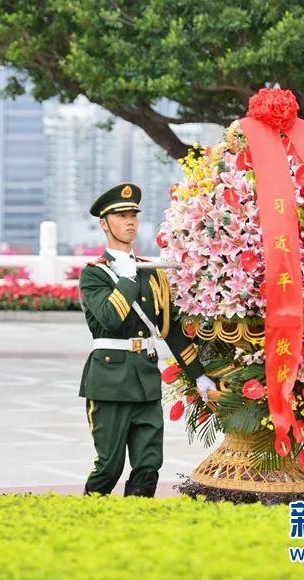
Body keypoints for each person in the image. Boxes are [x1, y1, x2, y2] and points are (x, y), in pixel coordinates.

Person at [79, 183, 215, 497]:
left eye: (133, 215)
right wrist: (125, 278)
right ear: (104, 223)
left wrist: (200, 376)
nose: (130, 222)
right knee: (109, 465)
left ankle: (137, 525)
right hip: (109, 381)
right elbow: (109, 318)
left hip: (145, 380)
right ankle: (87, 523)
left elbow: (171, 329)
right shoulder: (95, 274)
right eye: (121, 215)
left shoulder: (151, 272)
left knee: (149, 463)